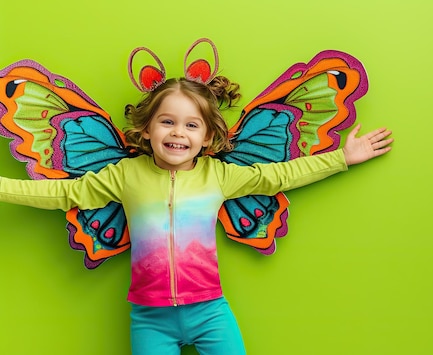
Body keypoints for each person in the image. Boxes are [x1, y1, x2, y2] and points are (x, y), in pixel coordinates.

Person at [0, 75, 393, 354]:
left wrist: (342, 158)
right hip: (149, 317)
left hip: (210, 311)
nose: (178, 133)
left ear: (206, 137)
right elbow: (63, 192)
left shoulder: (218, 176)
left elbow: (279, 175)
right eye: (167, 122)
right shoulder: (125, 175)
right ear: (147, 129)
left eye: (191, 125)